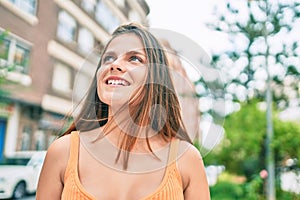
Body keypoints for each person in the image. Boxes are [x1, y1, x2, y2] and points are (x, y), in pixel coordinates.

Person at [36, 22, 210, 200]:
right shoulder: (62, 152)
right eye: (108, 58)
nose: (114, 65)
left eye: (134, 58)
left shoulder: (187, 159)